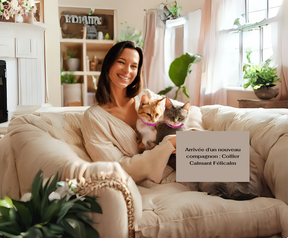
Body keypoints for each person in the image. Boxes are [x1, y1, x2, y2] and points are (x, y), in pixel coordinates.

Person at [81, 41, 203, 184]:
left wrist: (192, 133)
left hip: (193, 160)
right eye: (121, 62)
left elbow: (188, 112)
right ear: (108, 64)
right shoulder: (94, 118)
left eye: (134, 66)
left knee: (230, 155)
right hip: (168, 178)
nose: (127, 71)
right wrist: (168, 144)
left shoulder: (147, 97)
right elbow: (116, 168)